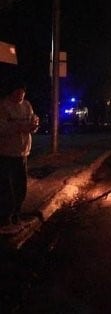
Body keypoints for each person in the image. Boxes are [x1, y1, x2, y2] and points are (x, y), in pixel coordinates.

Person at [0, 81, 40, 230]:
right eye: (17, 92)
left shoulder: (27, 105)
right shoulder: (3, 106)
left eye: (22, 93)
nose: (20, 96)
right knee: (6, 187)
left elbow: (32, 121)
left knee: (20, 186)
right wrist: (20, 127)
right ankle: (5, 218)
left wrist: (34, 124)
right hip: (6, 152)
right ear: (11, 92)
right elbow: (2, 128)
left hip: (23, 152)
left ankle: (17, 214)